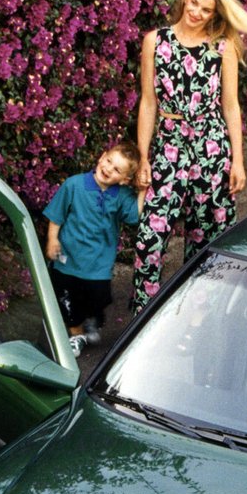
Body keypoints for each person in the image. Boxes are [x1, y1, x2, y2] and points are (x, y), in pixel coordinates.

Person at [131, 0, 247, 312]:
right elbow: (148, 102)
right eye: (194, 3)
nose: (196, 12)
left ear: (215, 14)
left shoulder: (221, 47)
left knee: (207, 237)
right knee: (150, 235)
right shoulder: (155, 41)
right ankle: (140, 318)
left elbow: (231, 105)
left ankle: (197, 315)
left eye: (206, 10)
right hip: (168, 145)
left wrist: (237, 159)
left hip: (211, 148)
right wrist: (143, 157)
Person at [44, 142, 142, 356]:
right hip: (68, 259)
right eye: (108, 161)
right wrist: (52, 239)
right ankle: (76, 334)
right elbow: (56, 215)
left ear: (124, 180)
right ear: (102, 156)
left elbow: (134, 216)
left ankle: (93, 319)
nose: (108, 169)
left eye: (117, 170)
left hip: (98, 264)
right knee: (67, 298)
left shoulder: (122, 196)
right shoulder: (74, 184)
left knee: (99, 297)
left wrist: (143, 190)